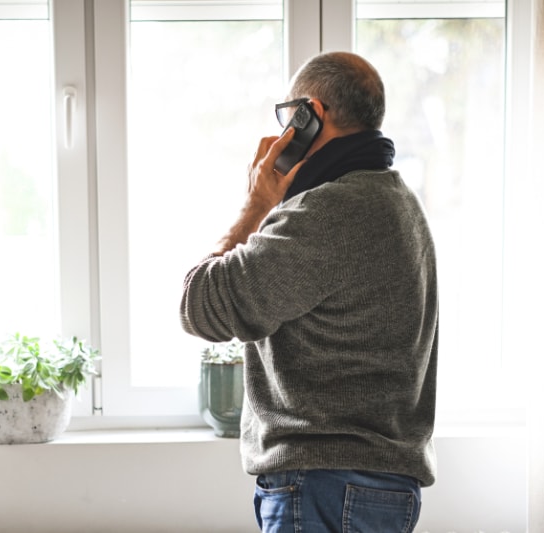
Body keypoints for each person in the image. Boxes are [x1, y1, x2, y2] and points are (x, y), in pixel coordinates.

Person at [179, 51, 438, 532]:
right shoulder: (398, 201)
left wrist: (255, 205)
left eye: (287, 118)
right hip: (374, 489)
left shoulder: (329, 212)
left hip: (324, 486)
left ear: (309, 115)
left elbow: (201, 305)